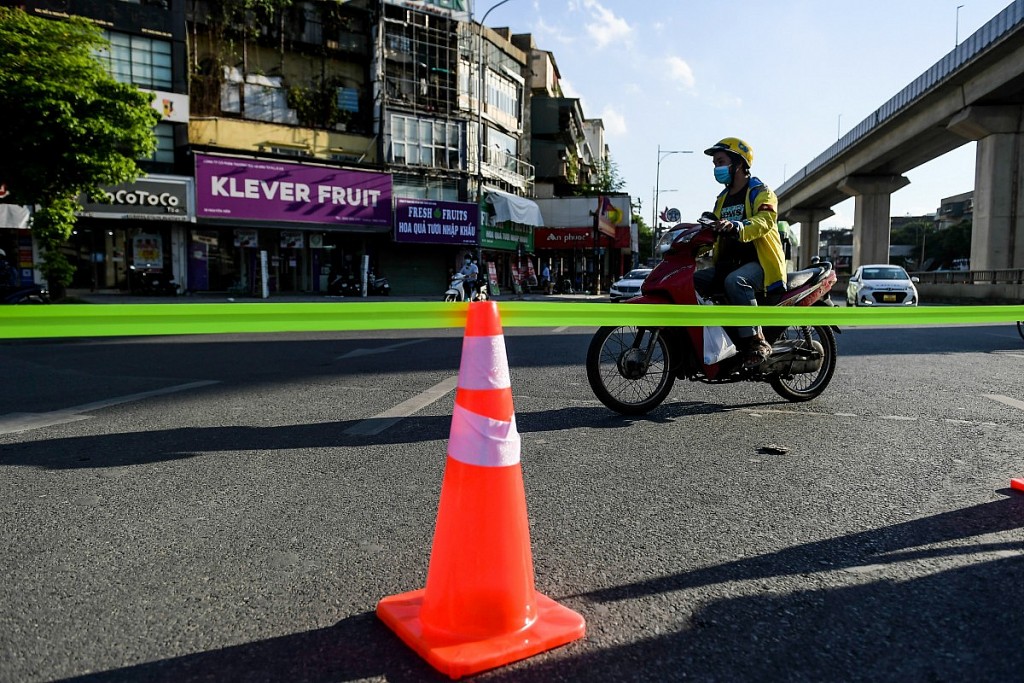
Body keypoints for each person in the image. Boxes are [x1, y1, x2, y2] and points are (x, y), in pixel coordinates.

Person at [694, 137, 787, 369]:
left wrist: (739, 226)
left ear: (738, 163)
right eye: (715, 164)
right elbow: (714, 231)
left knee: (736, 281)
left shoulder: (761, 191)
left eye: (721, 162)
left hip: (759, 264)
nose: (717, 168)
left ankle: (757, 340)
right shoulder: (722, 199)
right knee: (691, 280)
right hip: (728, 262)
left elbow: (765, 220)